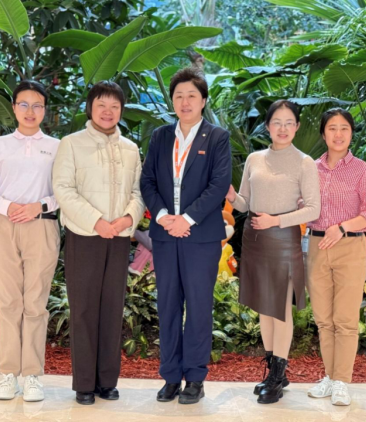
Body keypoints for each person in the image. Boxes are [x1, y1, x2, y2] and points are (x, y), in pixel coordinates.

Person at [140, 67, 231, 405]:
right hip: (166, 235)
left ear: (203, 100)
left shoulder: (217, 137)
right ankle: (169, 377)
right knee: (167, 305)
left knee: (198, 306)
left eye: (192, 95)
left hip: (200, 236)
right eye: (179, 95)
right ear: (173, 101)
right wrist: (163, 217)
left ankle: (194, 378)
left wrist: (187, 219)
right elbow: (147, 181)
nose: (185, 101)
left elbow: (219, 184)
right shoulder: (161, 136)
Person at [52, 81, 145, 405]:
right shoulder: (71, 144)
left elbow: (138, 192)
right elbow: (63, 189)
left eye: (114, 106)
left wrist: (127, 219)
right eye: (101, 105)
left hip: (118, 238)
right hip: (85, 236)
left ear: (121, 110)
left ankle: (107, 381)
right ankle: (84, 384)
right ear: (90, 108)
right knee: (83, 310)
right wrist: (96, 221)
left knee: (112, 308)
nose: (108, 112)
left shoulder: (130, 149)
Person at [0, 80, 60, 402]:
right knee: (8, 301)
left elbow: (67, 189)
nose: (30, 111)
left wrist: (41, 205)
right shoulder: (0, 145)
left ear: (45, 110)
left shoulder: (57, 147)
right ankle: (8, 374)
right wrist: (6, 206)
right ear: (14, 108)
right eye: (24, 104)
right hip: (4, 226)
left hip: (41, 228)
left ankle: (32, 375)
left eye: (37, 105)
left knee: (35, 302)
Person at [226, 100, 321, 404]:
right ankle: (272, 370)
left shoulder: (304, 162)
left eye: (289, 122)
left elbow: (313, 209)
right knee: (263, 307)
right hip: (254, 238)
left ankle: (278, 376)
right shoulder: (254, 159)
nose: (283, 128)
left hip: (283, 239)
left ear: (297, 127)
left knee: (279, 309)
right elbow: (245, 203)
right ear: (267, 126)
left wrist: (276, 221)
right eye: (277, 122)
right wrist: (231, 195)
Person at [306, 108, 366, 406]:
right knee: (324, 319)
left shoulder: (363, 171)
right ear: (323, 133)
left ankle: (341, 382)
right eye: (332, 128)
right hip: (316, 246)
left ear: (351, 133)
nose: (338, 134)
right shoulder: (310, 169)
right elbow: (302, 205)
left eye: (344, 128)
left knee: (346, 319)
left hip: (349, 246)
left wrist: (341, 227)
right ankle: (329, 376)